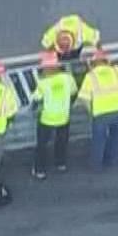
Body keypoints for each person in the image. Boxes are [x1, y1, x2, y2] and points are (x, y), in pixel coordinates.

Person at [77, 48, 118, 169]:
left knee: (99, 140)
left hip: (100, 113)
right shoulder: (117, 72)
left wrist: (91, 109)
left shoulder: (91, 76)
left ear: (94, 63)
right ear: (107, 61)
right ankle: (112, 160)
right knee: (116, 137)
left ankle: (96, 165)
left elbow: (83, 98)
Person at [32, 51, 77, 179]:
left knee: (42, 145)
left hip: (47, 118)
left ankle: (40, 170)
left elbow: (35, 98)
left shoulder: (43, 83)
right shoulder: (68, 78)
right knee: (61, 142)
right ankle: (60, 163)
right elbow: (73, 93)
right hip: (63, 117)